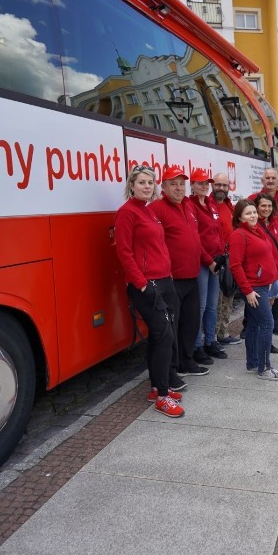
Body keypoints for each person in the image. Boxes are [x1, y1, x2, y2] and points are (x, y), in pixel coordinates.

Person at [114, 165, 185, 417]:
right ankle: (163, 398)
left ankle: (156, 387)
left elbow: (158, 247)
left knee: (158, 336)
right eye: (142, 182)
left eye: (150, 182)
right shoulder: (127, 213)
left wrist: (168, 276)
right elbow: (124, 253)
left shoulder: (149, 212)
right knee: (164, 336)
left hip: (164, 281)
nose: (147, 186)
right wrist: (143, 284)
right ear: (131, 185)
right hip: (147, 285)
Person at [149, 165, 211, 376]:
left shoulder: (188, 206)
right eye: (173, 184)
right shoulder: (156, 208)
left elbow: (195, 238)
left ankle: (187, 362)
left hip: (192, 276)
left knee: (190, 324)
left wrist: (208, 261)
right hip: (172, 279)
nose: (178, 188)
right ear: (163, 187)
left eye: (181, 184)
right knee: (172, 328)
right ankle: (172, 369)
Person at [228, 199, 278, 381]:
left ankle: (252, 363)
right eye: (248, 213)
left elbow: (267, 255)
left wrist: (271, 276)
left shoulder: (257, 230)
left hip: (262, 285)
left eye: (254, 212)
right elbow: (235, 265)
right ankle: (265, 367)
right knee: (267, 324)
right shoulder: (239, 234)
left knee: (253, 325)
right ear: (239, 217)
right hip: (253, 288)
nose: (252, 215)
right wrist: (248, 291)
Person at [248, 168, 278, 336]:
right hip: (258, 257)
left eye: (273, 178)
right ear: (262, 180)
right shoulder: (253, 199)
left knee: (276, 291)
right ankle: (249, 324)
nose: (270, 180)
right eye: (267, 178)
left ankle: (274, 321)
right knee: (256, 291)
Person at [189, 167, 227, 363]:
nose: (204, 186)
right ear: (192, 185)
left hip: (215, 261)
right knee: (201, 306)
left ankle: (210, 341)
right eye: (200, 183)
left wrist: (220, 256)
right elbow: (195, 239)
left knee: (213, 305)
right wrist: (209, 261)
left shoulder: (211, 204)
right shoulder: (190, 206)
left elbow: (218, 232)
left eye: (206, 183)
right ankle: (196, 346)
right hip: (202, 263)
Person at [211, 173, 241, 346]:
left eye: (224, 185)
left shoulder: (230, 206)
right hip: (216, 260)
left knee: (228, 297)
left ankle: (223, 332)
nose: (221, 188)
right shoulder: (208, 205)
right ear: (212, 185)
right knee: (215, 302)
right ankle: (213, 336)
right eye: (217, 185)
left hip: (230, 260)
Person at [255, 193, 278, 354]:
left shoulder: (276, 224)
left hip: (275, 273)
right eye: (263, 206)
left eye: (269, 206)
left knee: (271, 308)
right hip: (261, 276)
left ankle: (267, 341)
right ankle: (260, 345)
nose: (266, 209)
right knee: (262, 312)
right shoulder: (254, 225)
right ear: (256, 207)